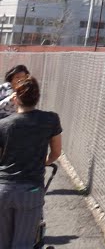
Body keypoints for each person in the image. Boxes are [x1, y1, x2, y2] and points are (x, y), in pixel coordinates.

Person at [0, 78, 62, 249]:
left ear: (15, 98)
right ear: (37, 97)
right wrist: (44, 162)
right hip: (31, 190)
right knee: (23, 243)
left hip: (3, 190)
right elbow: (56, 152)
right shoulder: (50, 120)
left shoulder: (3, 125)